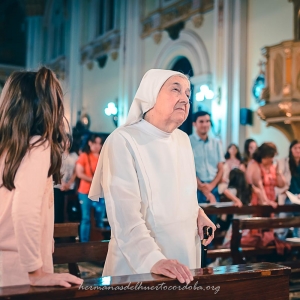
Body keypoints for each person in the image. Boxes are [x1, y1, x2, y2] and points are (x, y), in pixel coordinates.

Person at [89, 69, 216, 284]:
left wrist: (198, 212)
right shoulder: (122, 140)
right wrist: (153, 260)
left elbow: (180, 192)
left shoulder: (183, 140)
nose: (185, 98)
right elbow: (124, 216)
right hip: (139, 265)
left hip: (185, 256)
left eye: (187, 93)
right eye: (176, 89)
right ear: (150, 94)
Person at [0, 67, 83, 287]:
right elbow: (24, 210)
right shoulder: (38, 146)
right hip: (21, 272)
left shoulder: (8, 147)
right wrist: (36, 272)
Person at [189, 111, 224, 205]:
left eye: (207, 121)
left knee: (213, 219)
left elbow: (221, 168)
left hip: (214, 187)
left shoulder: (216, 143)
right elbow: (186, 168)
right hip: (195, 188)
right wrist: (201, 187)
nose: (205, 124)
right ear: (194, 124)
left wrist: (211, 186)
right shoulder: (188, 141)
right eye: (201, 121)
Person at [76, 133, 105, 242]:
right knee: (86, 218)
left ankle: (98, 244)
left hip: (100, 192)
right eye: (95, 143)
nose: (97, 146)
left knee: (99, 219)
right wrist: (94, 180)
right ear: (89, 143)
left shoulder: (104, 157)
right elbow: (79, 173)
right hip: (85, 191)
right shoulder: (84, 155)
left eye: (99, 143)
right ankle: (84, 245)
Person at [246, 142, 285, 208]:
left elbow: (281, 185)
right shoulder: (254, 164)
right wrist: (266, 201)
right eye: (271, 156)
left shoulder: (272, 166)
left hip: (271, 202)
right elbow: (259, 186)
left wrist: (278, 171)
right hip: (259, 203)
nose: (272, 159)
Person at [276, 140, 300, 239]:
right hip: (288, 195)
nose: (298, 150)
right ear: (291, 149)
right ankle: (281, 243)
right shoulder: (284, 162)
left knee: (298, 223)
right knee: (284, 222)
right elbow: (281, 181)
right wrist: (280, 174)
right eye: (295, 148)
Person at [54, 134, 78, 223]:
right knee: (57, 210)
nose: (66, 143)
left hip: (70, 186)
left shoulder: (74, 155)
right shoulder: (57, 154)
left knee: (69, 211)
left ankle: (70, 235)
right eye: (64, 140)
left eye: (68, 141)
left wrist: (69, 183)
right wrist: (62, 182)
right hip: (57, 185)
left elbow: (76, 171)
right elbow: (54, 170)